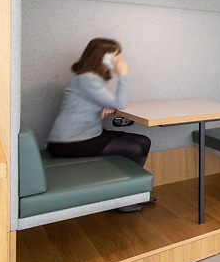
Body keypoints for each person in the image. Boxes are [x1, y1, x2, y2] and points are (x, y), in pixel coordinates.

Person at [46, 38, 154, 212]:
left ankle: (134, 192)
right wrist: (124, 75)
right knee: (134, 149)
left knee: (143, 141)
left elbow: (111, 101)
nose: (118, 60)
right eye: (115, 56)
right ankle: (121, 200)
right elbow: (119, 103)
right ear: (101, 56)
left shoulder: (92, 78)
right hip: (70, 141)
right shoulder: (87, 78)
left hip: (88, 134)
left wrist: (108, 103)